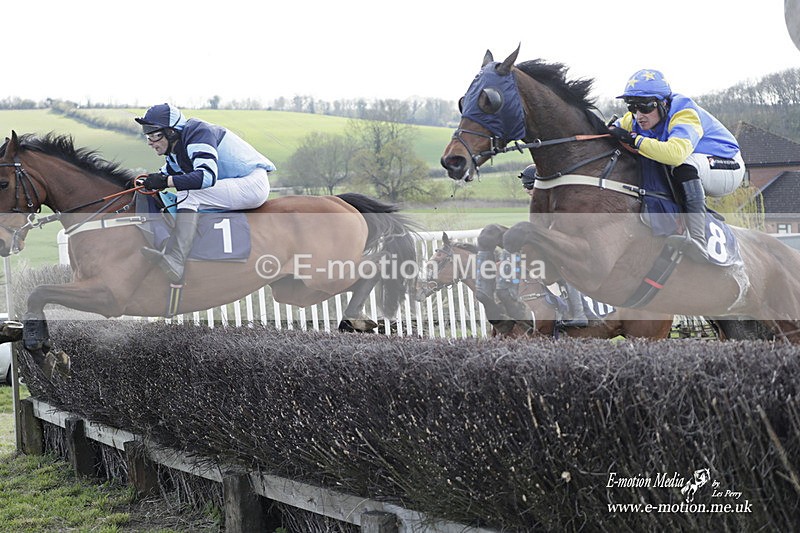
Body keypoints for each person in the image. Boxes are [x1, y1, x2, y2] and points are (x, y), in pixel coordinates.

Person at [608, 69, 745, 260]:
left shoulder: (684, 112)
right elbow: (609, 133)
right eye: (633, 107)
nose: (639, 115)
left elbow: (675, 154)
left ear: (663, 104)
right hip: (699, 163)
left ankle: (697, 240)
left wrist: (635, 141)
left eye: (645, 107)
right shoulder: (634, 120)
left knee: (682, 164)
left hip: (727, 165)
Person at [135, 103, 276, 283]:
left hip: (252, 184)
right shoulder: (175, 150)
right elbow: (164, 174)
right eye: (148, 136)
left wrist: (165, 181)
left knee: (189, 194)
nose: (150, 142)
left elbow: (206, 177)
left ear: (171, 133)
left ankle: (177, 259)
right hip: (235, 183)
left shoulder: (198, 133)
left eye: (155, 135)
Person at [518, 164, 588, 327]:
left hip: (572, 245)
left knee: (564, 270)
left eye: (529, 186)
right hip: (557, 246)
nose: (527, 191)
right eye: (525, 187)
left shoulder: (555, 200)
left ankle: (580, 314)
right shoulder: (541, 202)